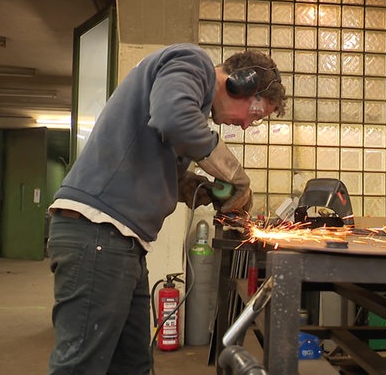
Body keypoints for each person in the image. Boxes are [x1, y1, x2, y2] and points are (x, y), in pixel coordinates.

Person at [46, 43, 287, 374]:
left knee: (133, 365)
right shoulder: (193, 62)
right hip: (97, 232)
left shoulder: (189, 104)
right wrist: (233, 173)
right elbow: (172, 118)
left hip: (121, 242)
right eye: (256, 114)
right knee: (81, 367)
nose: (247, 125)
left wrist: (199, 189)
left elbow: (161, 163)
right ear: (241, 83)